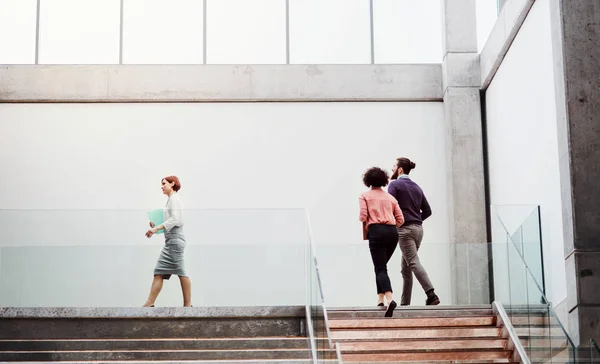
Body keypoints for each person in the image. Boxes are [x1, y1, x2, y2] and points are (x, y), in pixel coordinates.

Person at [388, 157, 440, 306]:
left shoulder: (394, 185)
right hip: (418, 230)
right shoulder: (417, 187)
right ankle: (405, 304)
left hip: (404, 230)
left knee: (413, 262)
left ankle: (431, 294)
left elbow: (390, 208)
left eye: (393, 166)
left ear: (400, 170)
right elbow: (428, 211)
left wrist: (402, 222)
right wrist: (416, 219)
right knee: (406, 269)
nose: (391, 169)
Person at [359, 167, 405, 317]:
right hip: (392, 232)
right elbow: (401, 219)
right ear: (384, 180)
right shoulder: (391, 198)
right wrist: (390, 226)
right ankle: (380, 300)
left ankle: (390, 299)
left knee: (380, 268)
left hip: (376, 231)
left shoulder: (364, 196)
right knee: (380, 266)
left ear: (368, 181)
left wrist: (370, 222)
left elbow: (362, 216)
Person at [143, 176, 192, 307]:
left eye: (164, 184)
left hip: (175, 241)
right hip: (171, 241)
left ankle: (187, 305)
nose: (162, 186)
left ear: (172, 183)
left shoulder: (174, 199)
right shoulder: (171, 200)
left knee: (180, 271)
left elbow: (176, 220)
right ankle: (150, 303)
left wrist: (157, 228)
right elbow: (171, 220)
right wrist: (156, 225)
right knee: (160, 271)